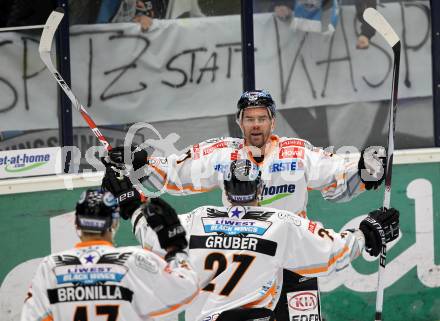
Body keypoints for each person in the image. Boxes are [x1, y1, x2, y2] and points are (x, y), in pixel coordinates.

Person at [101, 89, 387, 321]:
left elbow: (336, 169)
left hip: (293, 255)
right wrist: (140, 163)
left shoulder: (296, 152)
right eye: (249, 118)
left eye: (262, 118)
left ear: (273, 121)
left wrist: (364, 166)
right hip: (248, 256)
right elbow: (176, 171)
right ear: (239, 122)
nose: (256, 125)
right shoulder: (221, 152)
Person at [107, 159, 399, 321]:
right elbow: (334, 252)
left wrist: (130, 202)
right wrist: (368, 234)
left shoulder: (196, 220)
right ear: (259, 190)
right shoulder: (280, 223)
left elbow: (150, 232)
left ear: (226, 190)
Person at [20, 188, 198, 321]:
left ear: (76, 224)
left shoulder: (51, 266)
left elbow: (31, 317)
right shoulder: (134, 259)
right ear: (115, 223)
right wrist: (176, 249)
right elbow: (187, 288)